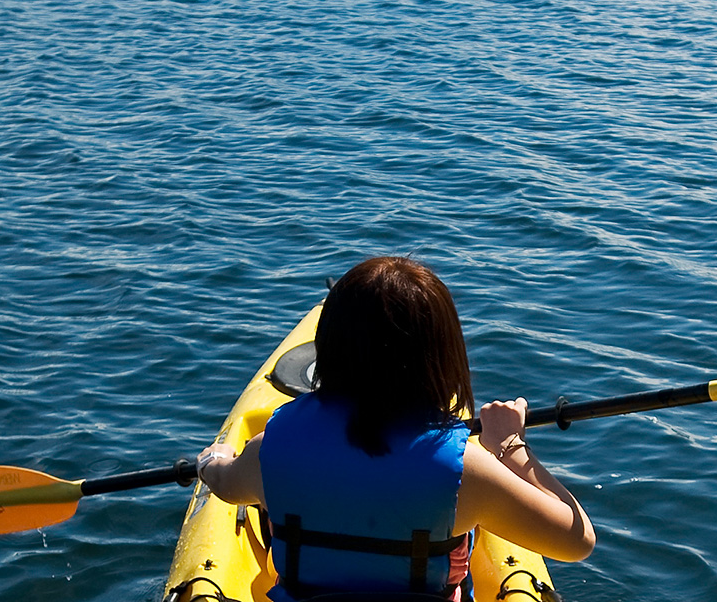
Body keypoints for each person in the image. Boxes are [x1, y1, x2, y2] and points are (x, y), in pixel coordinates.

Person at [196, 256, 595, 600]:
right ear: (441, 354)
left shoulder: (270, 451)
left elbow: (225, 484)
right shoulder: (466, 473)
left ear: (328, 350)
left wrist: (213, 459)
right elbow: (577, 541)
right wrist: (510, 446)